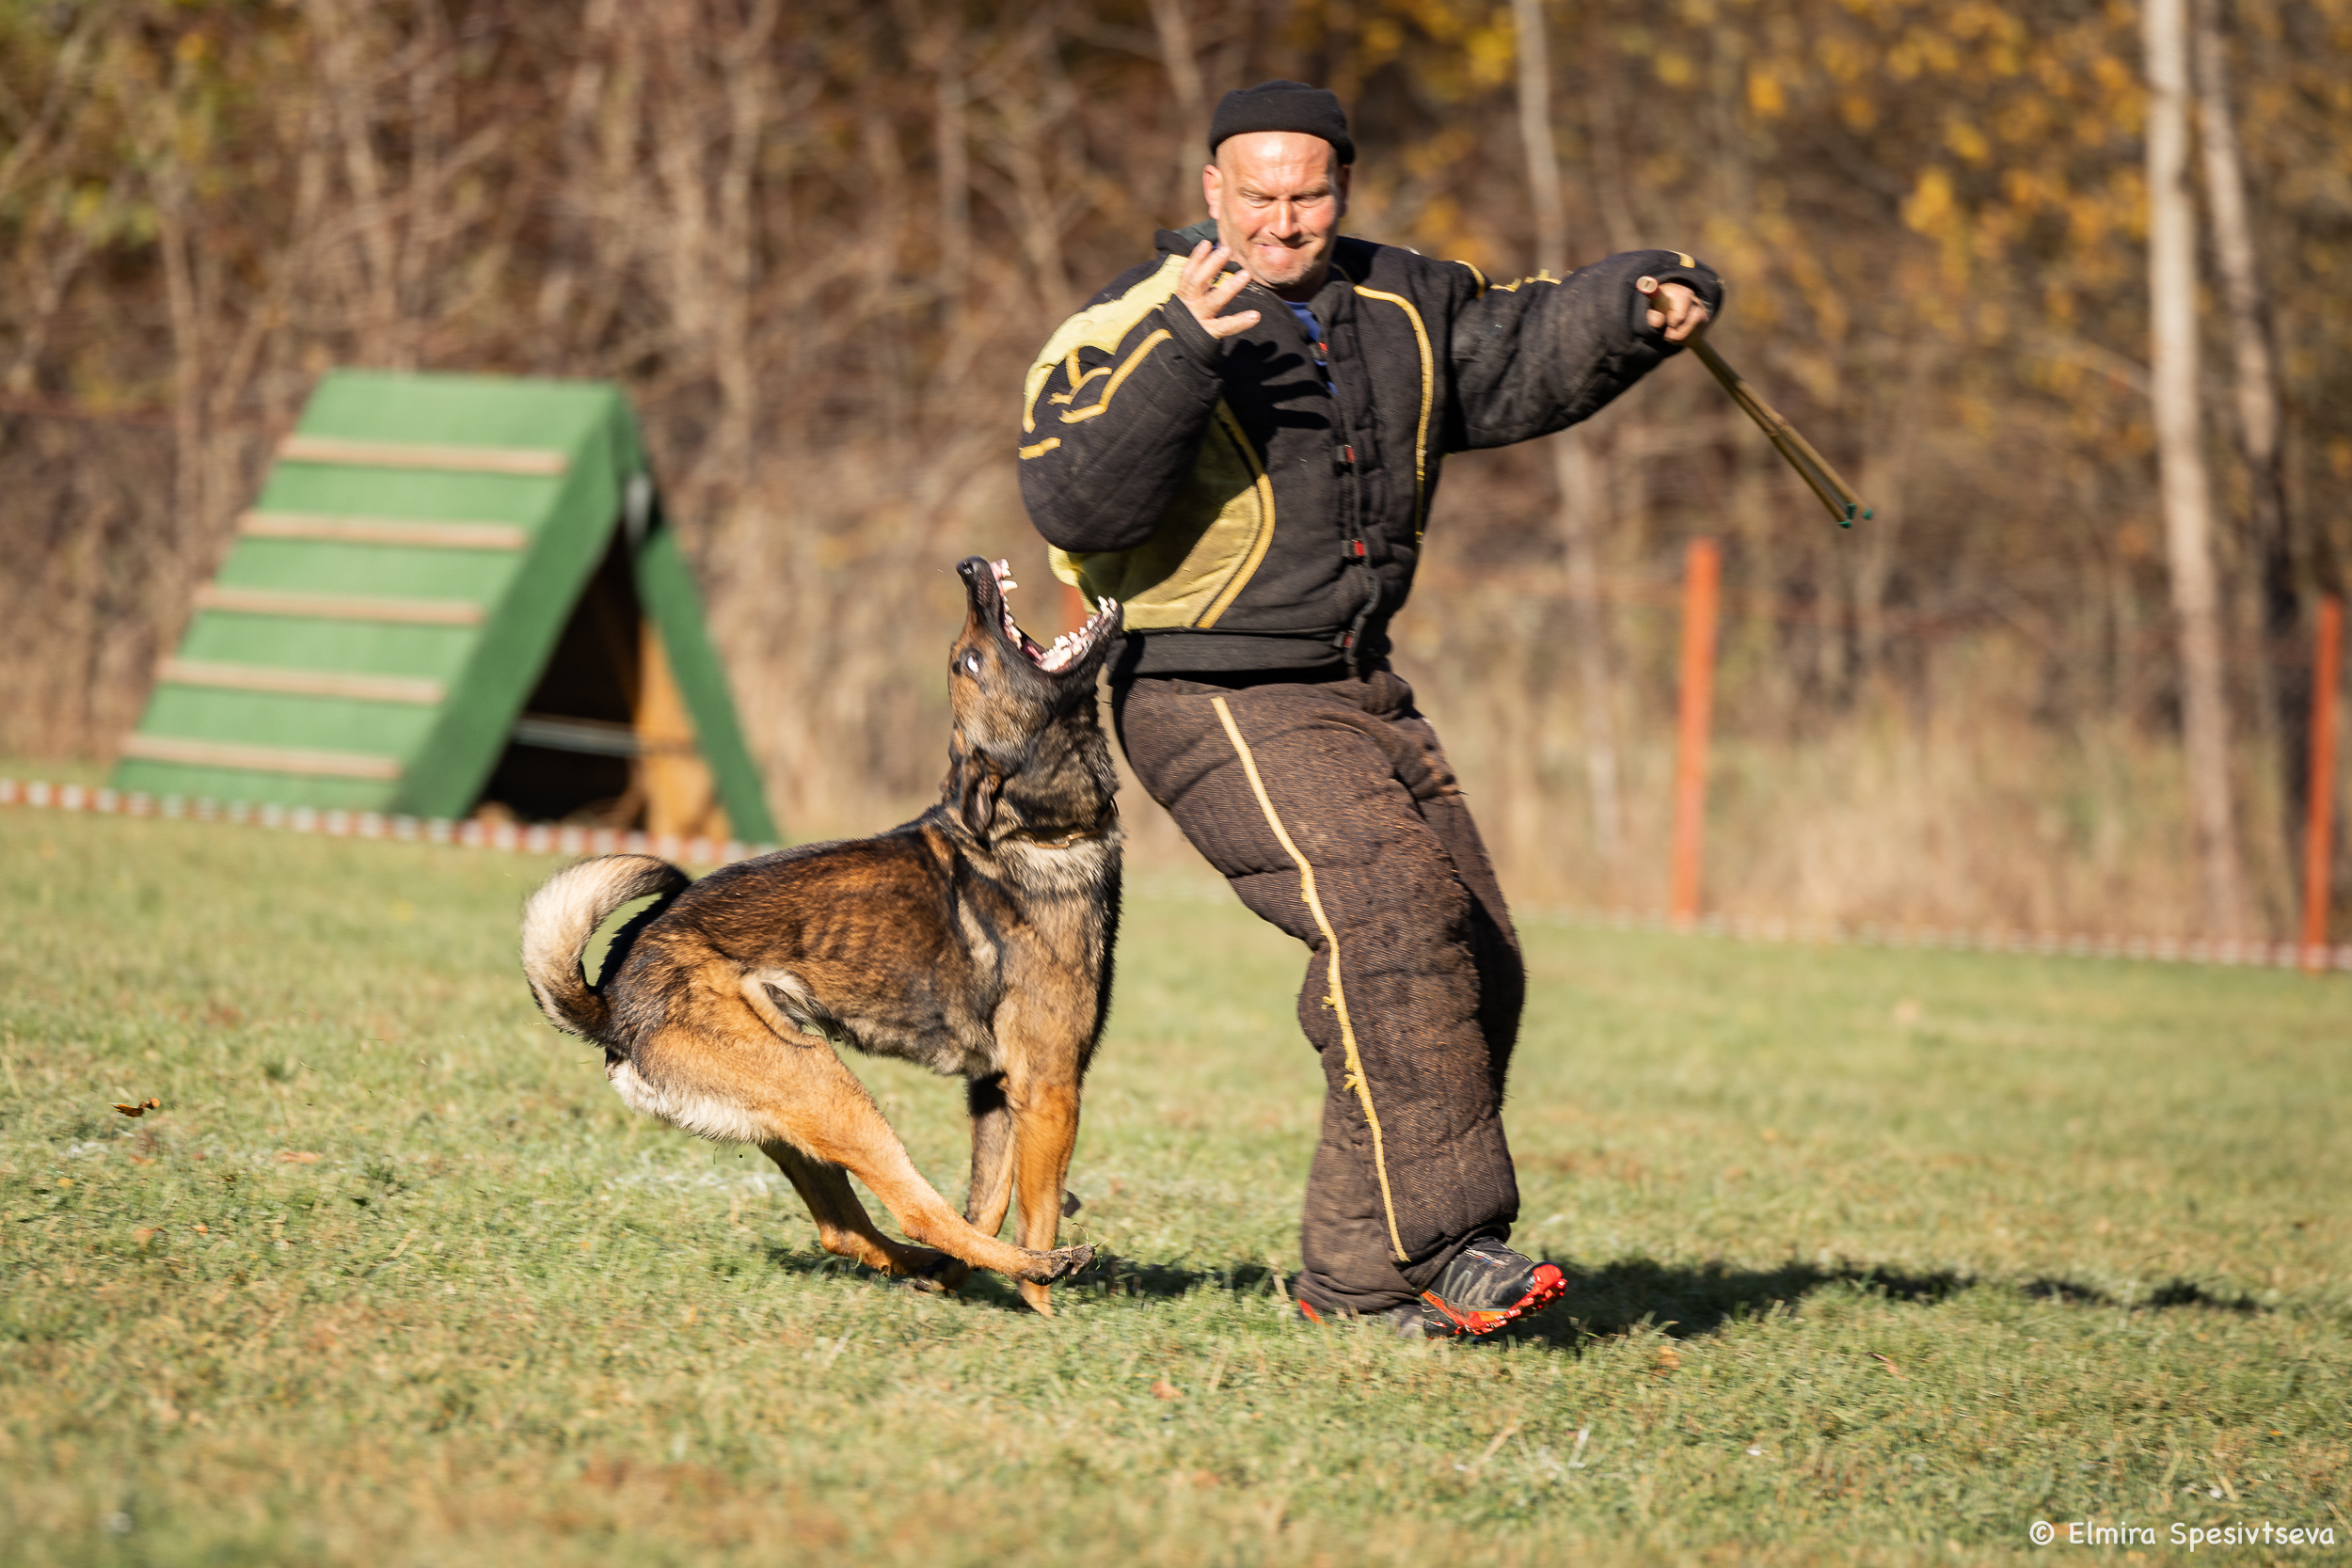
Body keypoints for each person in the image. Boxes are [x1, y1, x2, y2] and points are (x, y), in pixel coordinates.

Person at [1017, 79, 1720, 1338]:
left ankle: (1352, 1287)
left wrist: (1640, 296)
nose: (1285, 223)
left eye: (1311, 195)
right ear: (1211, 192)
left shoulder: (1399, 296)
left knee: (1476, 960)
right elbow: (1078, 504)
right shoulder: (1132, 321)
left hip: (1360, 684)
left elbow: (1517, 353)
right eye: (1260, 197)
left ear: (1340, 188)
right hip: (1208, 688)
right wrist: (1189, 346)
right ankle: (1448, 1244)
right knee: (1392, 926)